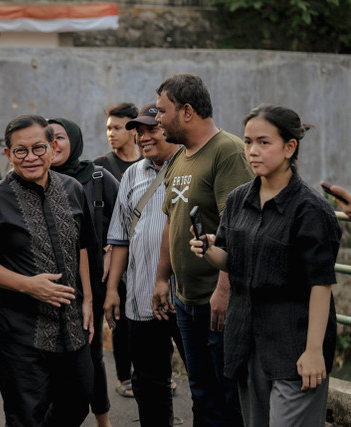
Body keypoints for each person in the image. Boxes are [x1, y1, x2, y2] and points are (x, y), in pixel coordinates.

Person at [189, 104, 341, 426]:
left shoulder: (310, 210)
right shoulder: (239, 199)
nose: (252, 151)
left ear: (290, 147)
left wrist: (314, 351)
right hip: (248, 341)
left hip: (294, 345)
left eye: (263, 142)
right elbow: (232, 260)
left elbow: (321, 283)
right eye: (247, 142)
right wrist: (208, 249)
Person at [0, 114, 95, 426]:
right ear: (8, 155)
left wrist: (88, 299)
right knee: (26, 416)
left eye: (38, 148)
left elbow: (82, 246)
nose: (31, 157)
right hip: (17, 329)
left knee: (78, 403)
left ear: (52, 148)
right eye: (21, 151)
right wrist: (28, 285)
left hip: (70, 325)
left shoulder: (74, 189)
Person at [151, 73, 254, 427]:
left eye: (163, 111)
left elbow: (237, 227)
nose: (158, 118)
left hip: (218, 303)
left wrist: (223, 291)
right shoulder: (179, 157)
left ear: (187, 111)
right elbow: (171, 222)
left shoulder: (227, 151)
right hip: (186, 301)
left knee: (231, 399)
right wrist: (162, 278)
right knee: (201, 395)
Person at [104, 102, 186, 426]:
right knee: (149, 383)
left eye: (151, 129)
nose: (143, 137)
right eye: (138, 131)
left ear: (169, 129)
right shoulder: (132, 175)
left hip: (185, 299)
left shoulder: (190, 167)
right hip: (140, 298)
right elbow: (120, 238)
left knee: (207, 380)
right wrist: (112, 289)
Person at [49, 117, 119, 427]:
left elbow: (126, 223)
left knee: (90, 355)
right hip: (48, 282)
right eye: (47, 137)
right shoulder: (35, 178)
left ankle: (102, 419)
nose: (54, 144)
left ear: (73, 140)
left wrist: (108, 253)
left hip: (92, 280)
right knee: (51, 356)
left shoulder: (98, 177)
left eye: (60, 137)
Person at [93, 102, 140, 397]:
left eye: (118, 127)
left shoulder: (149, 162)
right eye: (108, 127)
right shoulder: (101, 167)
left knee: (147, 319)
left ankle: (151, 375)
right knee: (119, 318)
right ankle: (124, 377)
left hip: (146, 255)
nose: (111, 133)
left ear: (133, 130)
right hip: (114, 256)